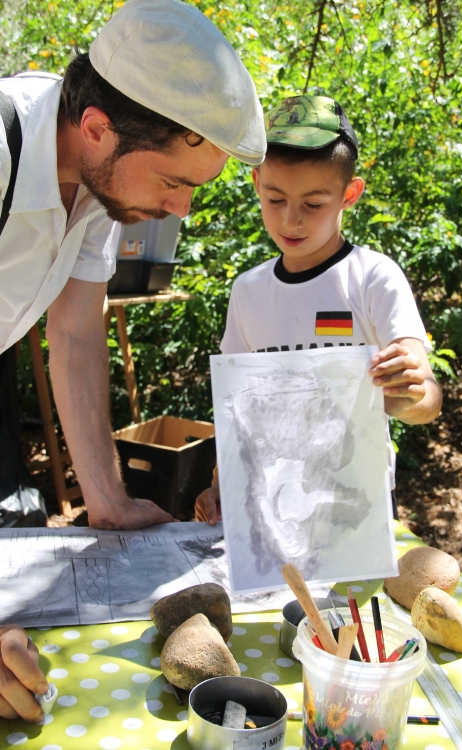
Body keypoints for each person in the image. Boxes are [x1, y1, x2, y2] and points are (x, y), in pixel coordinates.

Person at [0, 0, 265, 722]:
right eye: (172, 183)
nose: (178, 210)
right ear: (96, 127)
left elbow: (78, 330)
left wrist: (108, 498)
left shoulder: (94, 181)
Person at [195, 94, 442, 526]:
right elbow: (235, 408)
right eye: (275, 199)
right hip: (270, 506)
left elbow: (428, 400)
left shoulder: (372, 279)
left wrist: (412, 392)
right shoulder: (249, 292)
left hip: (359, 509)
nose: (291, 221)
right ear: (256, 184)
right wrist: (221, 481)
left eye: (313, 204)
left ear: (349, 194)